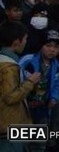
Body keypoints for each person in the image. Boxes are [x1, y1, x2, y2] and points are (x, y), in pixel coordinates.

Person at [0, 21, 41, 152]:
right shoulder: (9, 67)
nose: (25, 42)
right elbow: (11, 97)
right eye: (25, 39)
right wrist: (30, 83)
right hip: (8, 125)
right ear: (16, 42)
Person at [19, 30, 59, 151]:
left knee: (39, 142)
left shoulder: (56, 65)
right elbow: (15, 79)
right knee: (23, 140)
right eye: (48, 46)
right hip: (24, 108)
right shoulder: (27, 60)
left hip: (43, 107)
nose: (52, 50)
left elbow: (57, 83)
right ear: (41, 46)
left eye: (56, 47)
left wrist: (54, 97)